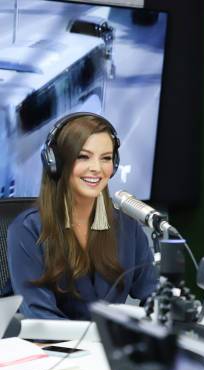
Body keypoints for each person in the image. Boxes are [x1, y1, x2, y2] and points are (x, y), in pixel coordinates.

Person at [7, 113, 158, 320]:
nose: (97, 168)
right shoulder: (27, 229)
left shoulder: (128, 228)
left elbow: (153, 295)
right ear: (56, 162)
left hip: (107, 349)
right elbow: (40, 315)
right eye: (83, 156)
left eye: (106, 158)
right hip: (52, 348)